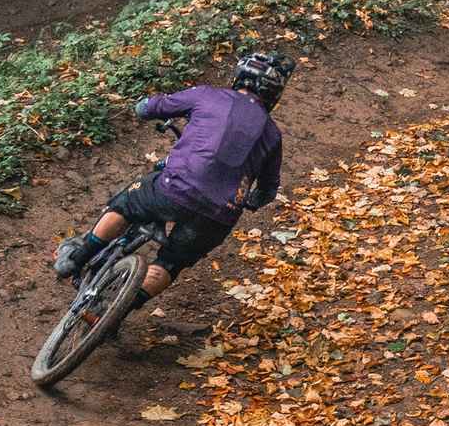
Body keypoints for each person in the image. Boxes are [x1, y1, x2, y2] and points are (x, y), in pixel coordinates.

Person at [51, 51, 291, 319]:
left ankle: (75, 260)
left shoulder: (208, 95)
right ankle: (114, 314)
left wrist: (145, 105)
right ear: (274, 94)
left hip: (174, 189)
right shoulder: (273, 134)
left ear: (240, 77)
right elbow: (268, 191)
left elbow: (147, 108)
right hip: (218, 216)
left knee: (127, 203)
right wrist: (251, 200)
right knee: (171, 262)